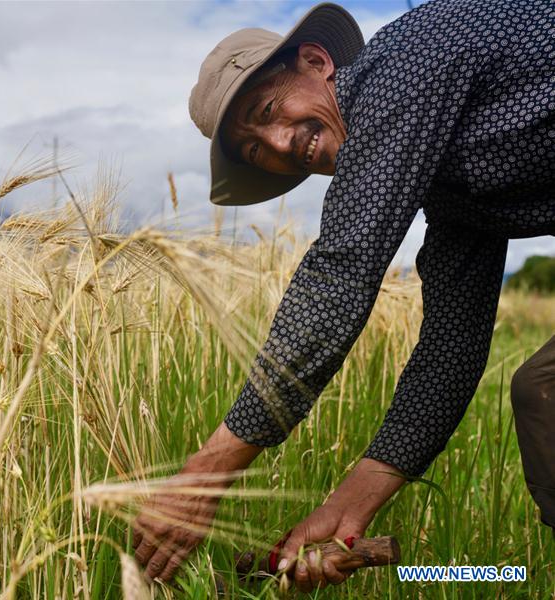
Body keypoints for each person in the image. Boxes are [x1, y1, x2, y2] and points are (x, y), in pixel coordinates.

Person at [131, 0, 555, 592]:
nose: (280, 142)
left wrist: (205, 474)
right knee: (543, 392)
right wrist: (347, 512)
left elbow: (339, 276)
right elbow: (450, 351)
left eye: (268, 110)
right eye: (255, 149)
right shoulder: (450, 188)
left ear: (315, 61)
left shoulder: (402, 64)